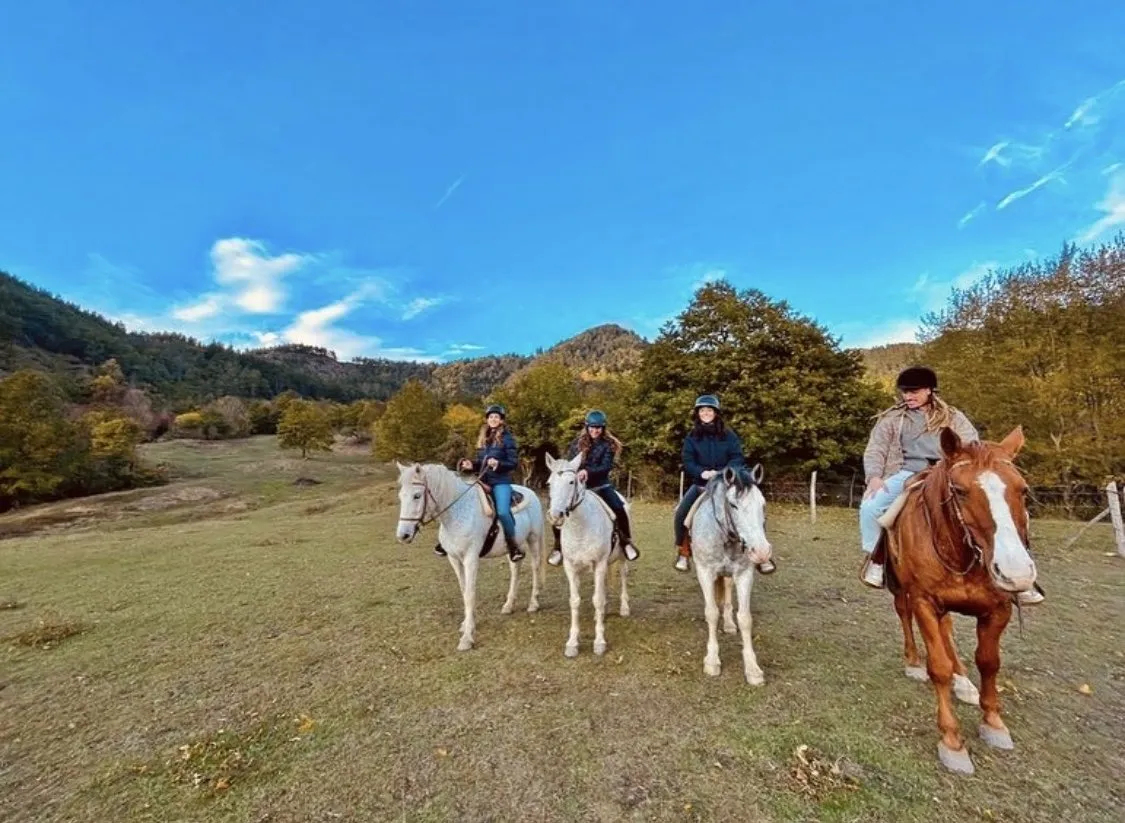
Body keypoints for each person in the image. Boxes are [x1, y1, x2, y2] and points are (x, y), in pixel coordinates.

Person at [859, 366, 1044, 605]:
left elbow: (973, 444)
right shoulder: (892, 419)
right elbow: (876, 449)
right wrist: (874, 476)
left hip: (949, 472)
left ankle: (1022, 574)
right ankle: (878, 562)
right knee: (871, 507)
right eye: (904, 392)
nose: (908, 396)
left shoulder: (954, 417)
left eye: (913, 391)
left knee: (1002, 512)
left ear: (929, 390)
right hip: (906, 472)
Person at [672, 394, 776, 575]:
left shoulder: (729, 435)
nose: (705, 413)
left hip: (729, 483)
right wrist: (701, 472)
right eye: (702, 410)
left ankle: (761, 554)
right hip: (702, 484)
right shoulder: (691, 437)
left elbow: (737, 457)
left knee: (752, 510)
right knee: (681, 513)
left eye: (709, 410)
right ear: (697, 414)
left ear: (716, 413)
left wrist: (724, 473)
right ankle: (684, 551)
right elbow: (688, 461)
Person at [548, 410, 639, 566]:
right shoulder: (577, 443)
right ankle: (558, 548)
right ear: (587, 427)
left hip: (600, 486)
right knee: (557, 509)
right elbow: (570, 464)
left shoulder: (608, 445)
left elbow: (606, 467)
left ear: (603, 428)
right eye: (592, 427)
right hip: (578, 488)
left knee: (619, 508)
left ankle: (626, 542)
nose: (595, 430)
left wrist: (587, 471)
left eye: (598, 427)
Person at [450, 403, 525, 562]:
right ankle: (448, 542)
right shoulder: (483, 438)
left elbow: (513, 462)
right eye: (491, 417)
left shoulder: (507, 439)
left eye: (496, 417)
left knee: (503, 512)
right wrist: (472, 464)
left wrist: (498, 464)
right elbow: (481, 462)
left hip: (500, 481)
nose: (493, 419)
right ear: (487, 419)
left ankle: (513, 545)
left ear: (501, 420)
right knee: (461, 503)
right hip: (482, 480)